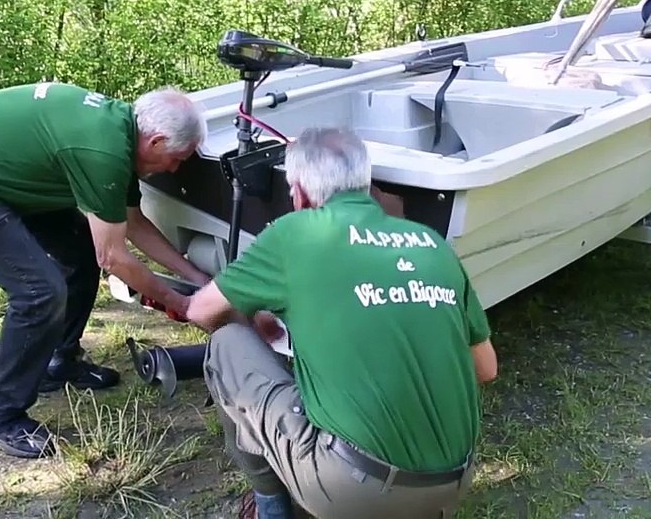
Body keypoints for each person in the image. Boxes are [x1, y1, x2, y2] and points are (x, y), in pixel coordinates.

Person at [185, 126, 498, 519]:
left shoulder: (298, 232)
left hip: (351, 492)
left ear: (298, 193)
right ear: (364, 182)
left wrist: (257, 326)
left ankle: (271, 507)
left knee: (226, 343)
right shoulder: (431, 243)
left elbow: (202, 311)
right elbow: (485, 369)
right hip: (453, 482)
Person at [0, 81, 213, 459]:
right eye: (178, 157)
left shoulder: (120, 132)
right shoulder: (102, 151)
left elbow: (133, 223)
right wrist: (177, 303)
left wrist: (198, 280)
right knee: (39, 291)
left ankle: (58, 362)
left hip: (0, 169)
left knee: (79, 250)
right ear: (156, 141)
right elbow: (114, 258)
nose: (175, 167)